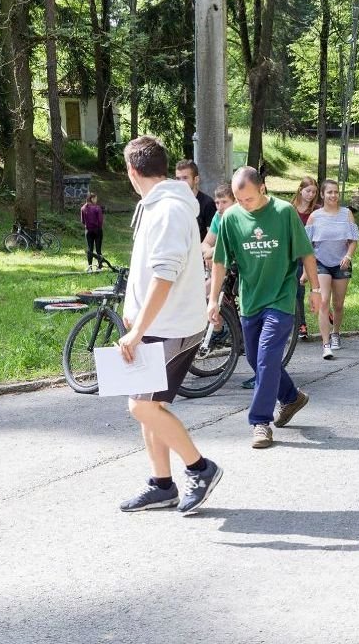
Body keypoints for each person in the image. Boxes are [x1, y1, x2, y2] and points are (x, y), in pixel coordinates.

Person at [115, 136, 222, 514]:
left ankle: (200, 468)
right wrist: (135, 311)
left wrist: (137, 328)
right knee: (151, 406)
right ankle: (161, 484)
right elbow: (150, 271)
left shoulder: (168, 210)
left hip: (171, 326)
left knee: (141, 407)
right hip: (156, 323)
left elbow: (165, 275)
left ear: (132, 170)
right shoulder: (156, 205)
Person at [210, 166, 321, 449]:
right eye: (238, 198)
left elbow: (306, 252)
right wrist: (213, 299)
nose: (242, 204)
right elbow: (220, 261)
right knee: (255, 360)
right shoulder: (231, 218)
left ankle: (260, 422)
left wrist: (316, 289)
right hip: (250, 299)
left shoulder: (284, 213)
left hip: (282, 297)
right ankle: (292, 397)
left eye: (247, 198)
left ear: (262, 189)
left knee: (267, 356)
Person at [305, 179, 359, 360]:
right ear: (322, 194)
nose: (333, 195)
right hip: (321, 262)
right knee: (323, 302)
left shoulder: (347, 214)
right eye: (329, 192)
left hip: (341, 264)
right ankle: (326, 344)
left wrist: (348, 256)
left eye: (336, 192)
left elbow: (353, 240)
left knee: (337, 304)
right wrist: (307, 270)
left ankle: (336, 333)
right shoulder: (315, 216)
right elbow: (307, 245)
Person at [292, 176, 320, 341]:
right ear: (300, 190)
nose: (310, 194)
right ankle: (300, 323)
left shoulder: (316, 211)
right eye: (308, 191)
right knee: (297, 291)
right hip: (294, 255)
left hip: (312, 254)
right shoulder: (291, 209)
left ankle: (324, 312)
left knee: (314, 288)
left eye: (314, 192)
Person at [175, 159, 217, 241]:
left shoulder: (207, 203)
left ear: (196, 179)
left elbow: (212, 238)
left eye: (185, 178)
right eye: (178, 178)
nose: (181, 182)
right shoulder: (173, 203)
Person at [201, 183, 235, 266]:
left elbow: (236, 245)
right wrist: (208, 252)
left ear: (235, 202)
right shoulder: (218, 216)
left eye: (224, 202)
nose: (220, 207)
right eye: (217, 203)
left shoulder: (241, 216)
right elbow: (205, 244)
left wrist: (213, 251)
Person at [80, 192, 104, 272]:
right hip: (97, 230)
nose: (96, 200)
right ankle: (99, 267)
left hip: (88, 231)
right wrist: (98, 227)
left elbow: (83, 221)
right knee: (98, 249)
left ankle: (89, 267)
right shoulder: (97, 208)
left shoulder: (83, 208)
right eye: (96, 198)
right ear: (92, 199)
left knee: (90, 249)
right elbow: (100, 220)